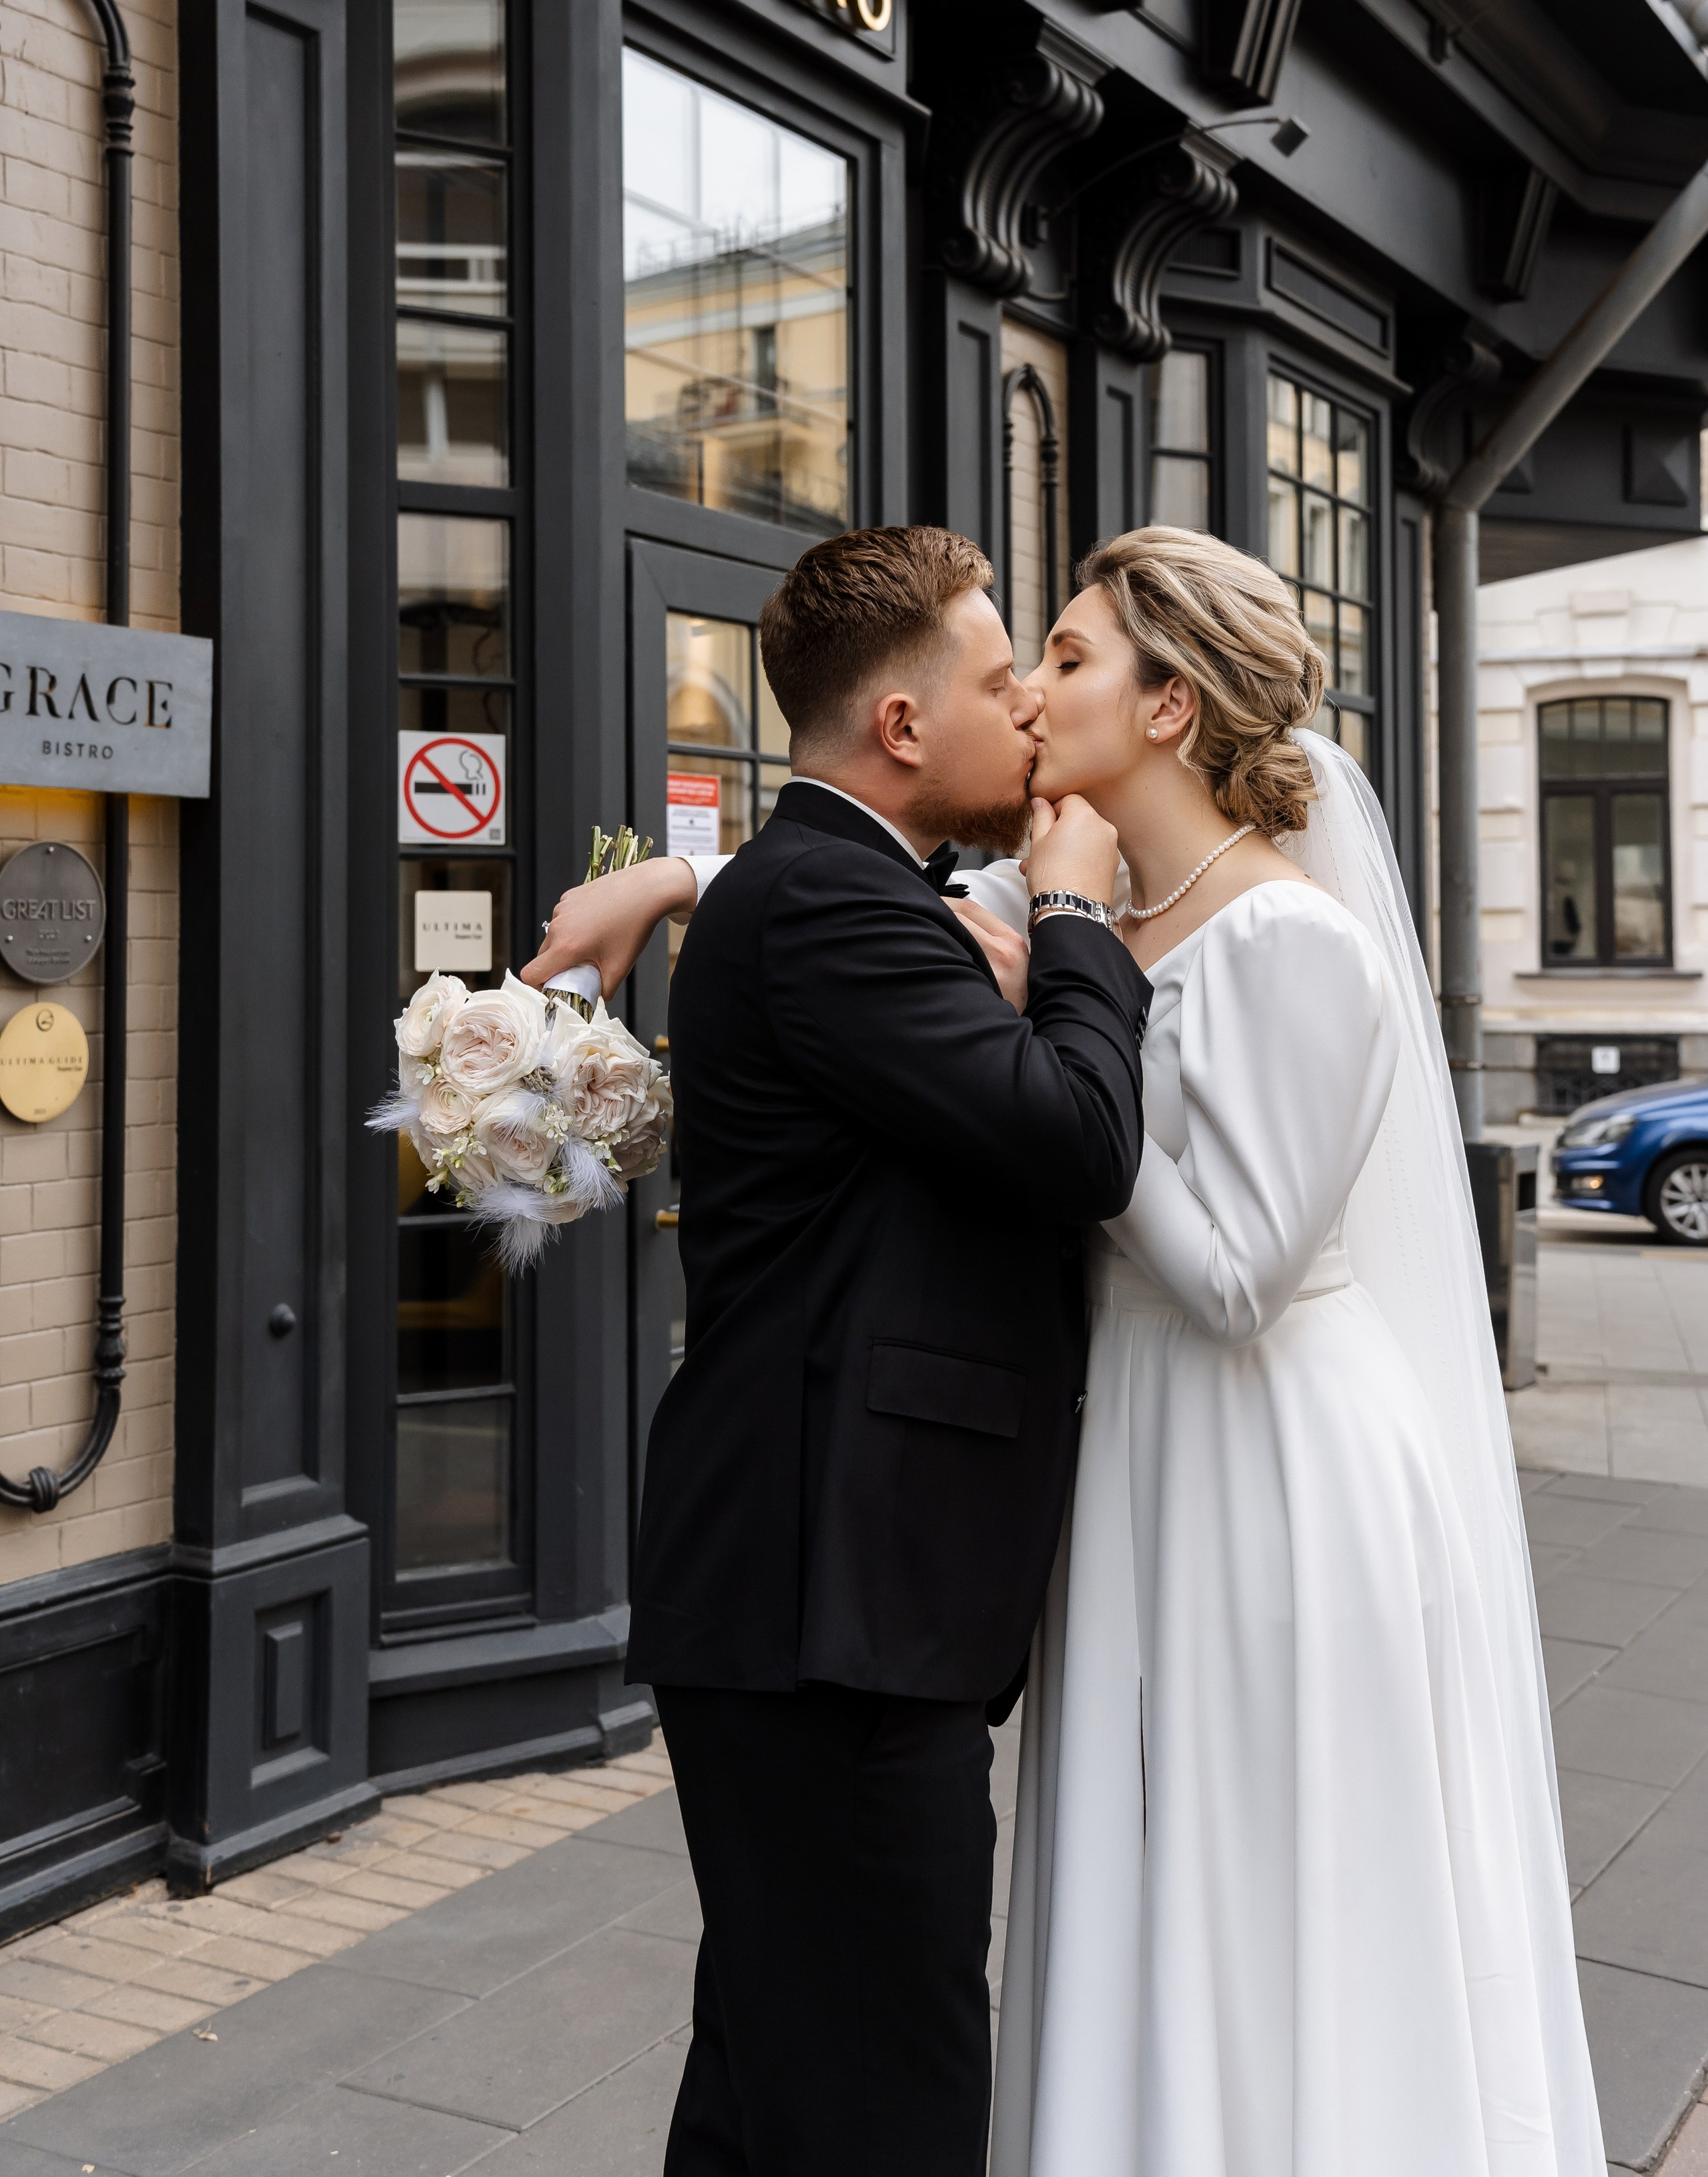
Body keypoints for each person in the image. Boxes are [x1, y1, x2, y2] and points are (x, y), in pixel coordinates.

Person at [536, 523, 1605, 2177]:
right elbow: (860, 909)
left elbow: (1224, 1266)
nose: (1031, 694)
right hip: (960, 1536)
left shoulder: (1269, 937)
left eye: (1064, 656)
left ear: (1168, 706)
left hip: (1263, 1474)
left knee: (1247, 1898)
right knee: (896, 2018)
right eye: (1011, 665)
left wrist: (1048, 954)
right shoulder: (1028, 908)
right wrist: (688, 878)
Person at [521, 524, 1150, 2177]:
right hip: (828, 1607)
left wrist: (675, 874)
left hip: (823, 1599)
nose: (1028, 709)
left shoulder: (833, 885)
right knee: (882, 2102)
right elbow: (1079, 1141)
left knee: (775, 2084)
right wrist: (1075, 918)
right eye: (1002, 680)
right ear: (900, 725)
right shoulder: (833, 905)